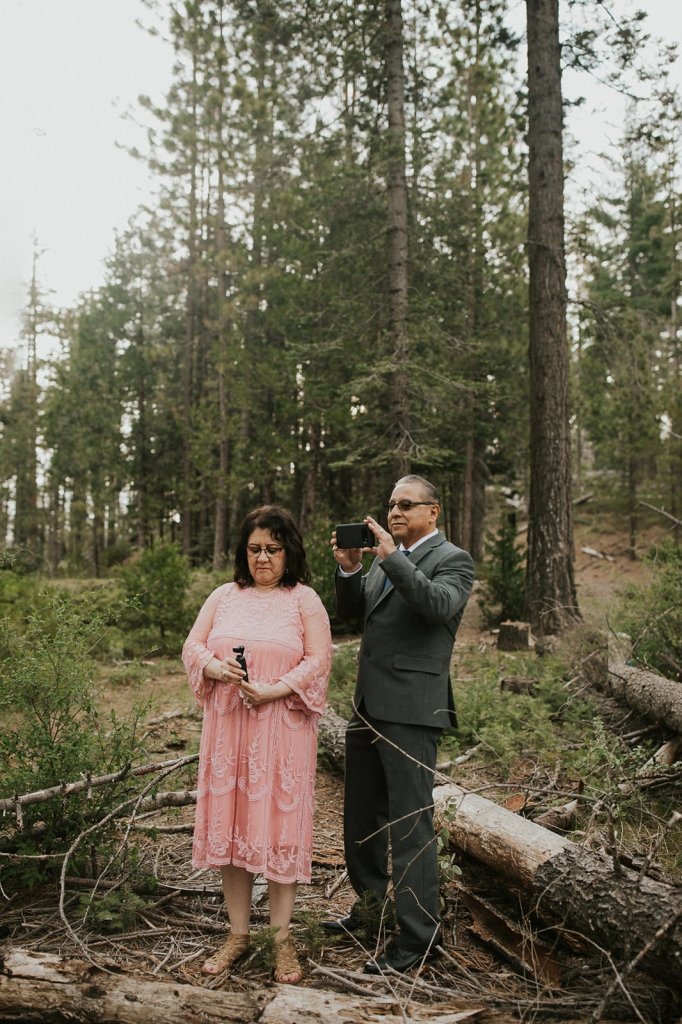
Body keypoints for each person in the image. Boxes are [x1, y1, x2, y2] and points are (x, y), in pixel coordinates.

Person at [324, 475, 474, 975]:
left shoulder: (452, 559)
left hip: (412, 710)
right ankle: (371, 912)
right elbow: (354, 618)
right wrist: (349, 572)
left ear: (434, 511)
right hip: (368, 705)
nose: (395, 512)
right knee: (361, 820)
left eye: (406, 504)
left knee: (410, 826)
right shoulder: (388, 562)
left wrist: (392, 558)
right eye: (391, 504)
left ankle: (417, 939)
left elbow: (437, 607)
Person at [182, 505, 332, 984]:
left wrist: (276, 687)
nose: (263, 558)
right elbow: (192, 645)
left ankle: (281, 941)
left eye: (272, 548)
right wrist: (213, 667)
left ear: (289, 551)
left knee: (279, 828)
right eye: (254, 549)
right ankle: (239, 934)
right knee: (231, 828)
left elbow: (320, 658)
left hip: (282, 730)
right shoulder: (224, 595)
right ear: (242, 552)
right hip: (228, 728)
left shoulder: (303, 600)